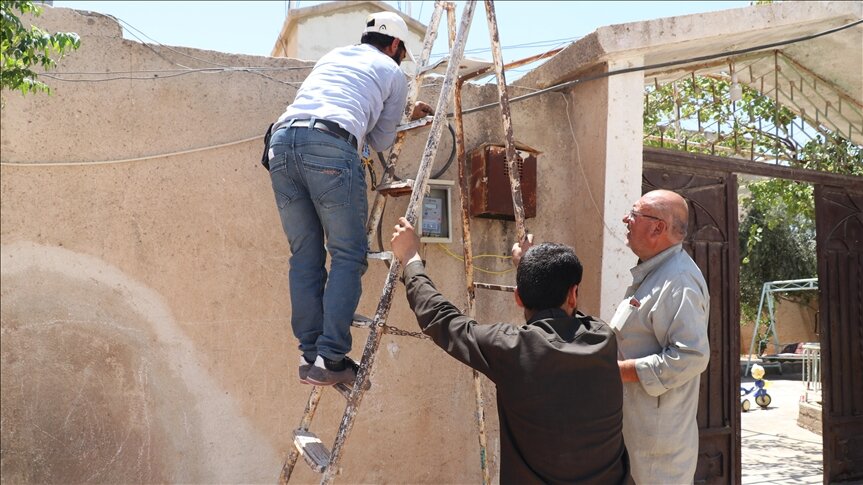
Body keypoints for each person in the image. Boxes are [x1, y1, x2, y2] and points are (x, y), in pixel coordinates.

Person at [391, 218, 632, 484]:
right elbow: (570, 316)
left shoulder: (508, 348)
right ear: (573, 294)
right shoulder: (603, 337)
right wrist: (531, 268)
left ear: (517, 297)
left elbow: (441, 319)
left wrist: (411, 257)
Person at [266, 11, 433, 387]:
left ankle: (311, 355)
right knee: (347, 254)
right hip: (330, 147)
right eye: (401, 52)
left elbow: (343, 95)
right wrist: (405, 110)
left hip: (281, 142)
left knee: (305, 256)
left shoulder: (333, 56)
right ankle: (332, 357)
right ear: (394, 45)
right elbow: (381, 141)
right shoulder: (392, 73)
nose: (400, 58)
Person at [612, 189, 710, 484]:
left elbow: (691, 356)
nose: (625, 219)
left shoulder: (678, 280)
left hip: (658, 450)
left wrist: (617, 372)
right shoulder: (657, 273)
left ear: (658, 227)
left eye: (634, 214)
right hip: (639, 436)